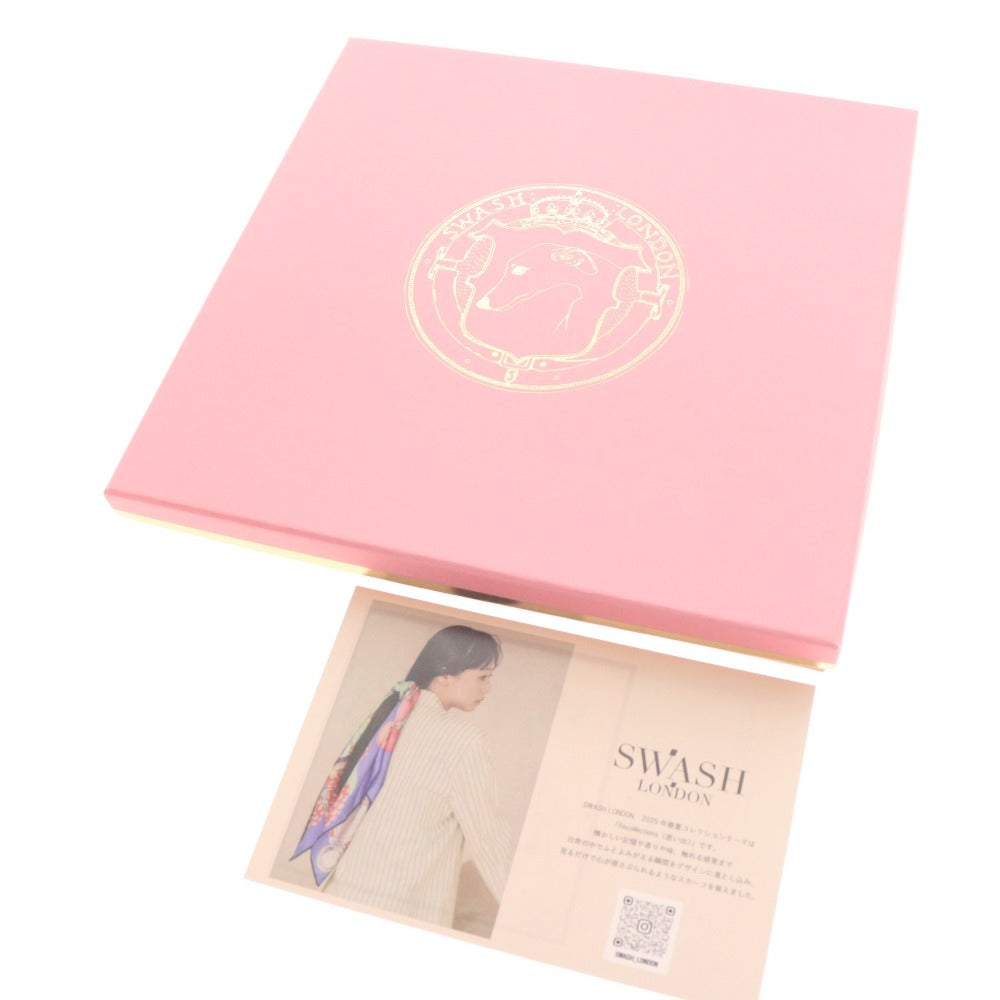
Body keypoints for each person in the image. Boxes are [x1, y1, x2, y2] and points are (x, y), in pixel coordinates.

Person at [292, 625, 512, 928]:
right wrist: (523, 916)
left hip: (342, 887)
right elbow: (491, 841)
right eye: (483, 677)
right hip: (398, 904)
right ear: (445, 675)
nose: (488, 688)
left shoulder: (389, 719)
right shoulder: (464, 740)